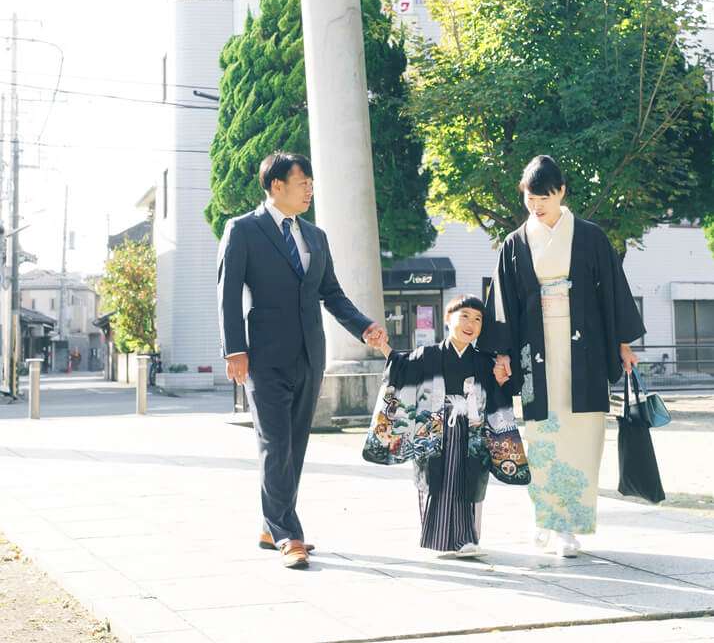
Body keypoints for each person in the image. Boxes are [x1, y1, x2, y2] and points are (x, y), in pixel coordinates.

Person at [218, 151, 386, 570]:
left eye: (311, 182)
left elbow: (331, 293)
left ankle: (269, 525)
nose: (310, 189)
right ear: (277, 186)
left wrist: (364, 327)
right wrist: (234, 350)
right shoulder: (243, 230)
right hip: (263, 356)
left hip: (311, 353)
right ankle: (288, 535)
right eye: (302, 182)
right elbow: (227, 294)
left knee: (294, 443)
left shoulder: (316, 236)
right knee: (275, 443)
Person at [482, 155, 645, 558]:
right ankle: (549, 519)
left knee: (584, 434)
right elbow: (503, 302)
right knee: (543, 437)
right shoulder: (516, 242)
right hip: (535, 350)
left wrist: (623, 342)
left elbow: (612, 290)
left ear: (562, 193)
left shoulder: (589, 237)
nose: (536, 206)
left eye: (544, 198)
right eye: (530, 199)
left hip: (584, 348)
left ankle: (570, 524)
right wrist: (501, 352)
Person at [363, 296, 529, 556]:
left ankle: (469, 538)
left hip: (470, 430)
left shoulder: (485, 361)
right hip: (435, 430)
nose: (471, 323)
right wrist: (384, 348)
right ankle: (439, 539)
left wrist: (501, 378)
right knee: (436, 478)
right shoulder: (428, 355)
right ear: (447, 319)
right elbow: (402, 367)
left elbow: (499, 392)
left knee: (470, 479)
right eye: (464, 316)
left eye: (477, 319)